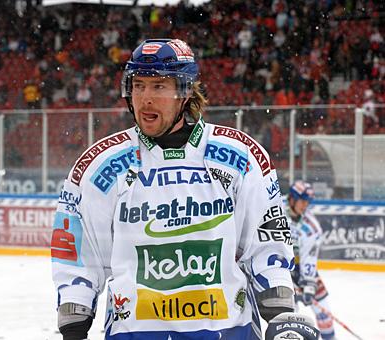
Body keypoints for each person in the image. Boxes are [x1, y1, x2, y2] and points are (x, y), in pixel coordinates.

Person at [51, 38, 318, 340]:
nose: (145, 98)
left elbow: (265, 242)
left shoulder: (240, 157)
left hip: (229, 330)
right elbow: (79, 254)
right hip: (135, 332)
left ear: (185, 91)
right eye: (138, 86)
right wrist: (74, 326)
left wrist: (281, 313)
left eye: (159, 86)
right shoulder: (100, 166)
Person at [286, 180, 336, 339]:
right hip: (279, 268)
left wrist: (308, 283)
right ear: (292, 199)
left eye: (307, 202)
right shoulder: (274, 209)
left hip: (301, 269)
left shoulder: (312, 227)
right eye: (302, 200)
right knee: (289, 315)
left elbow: (310, 257)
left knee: (324, 313)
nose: (304, 205)